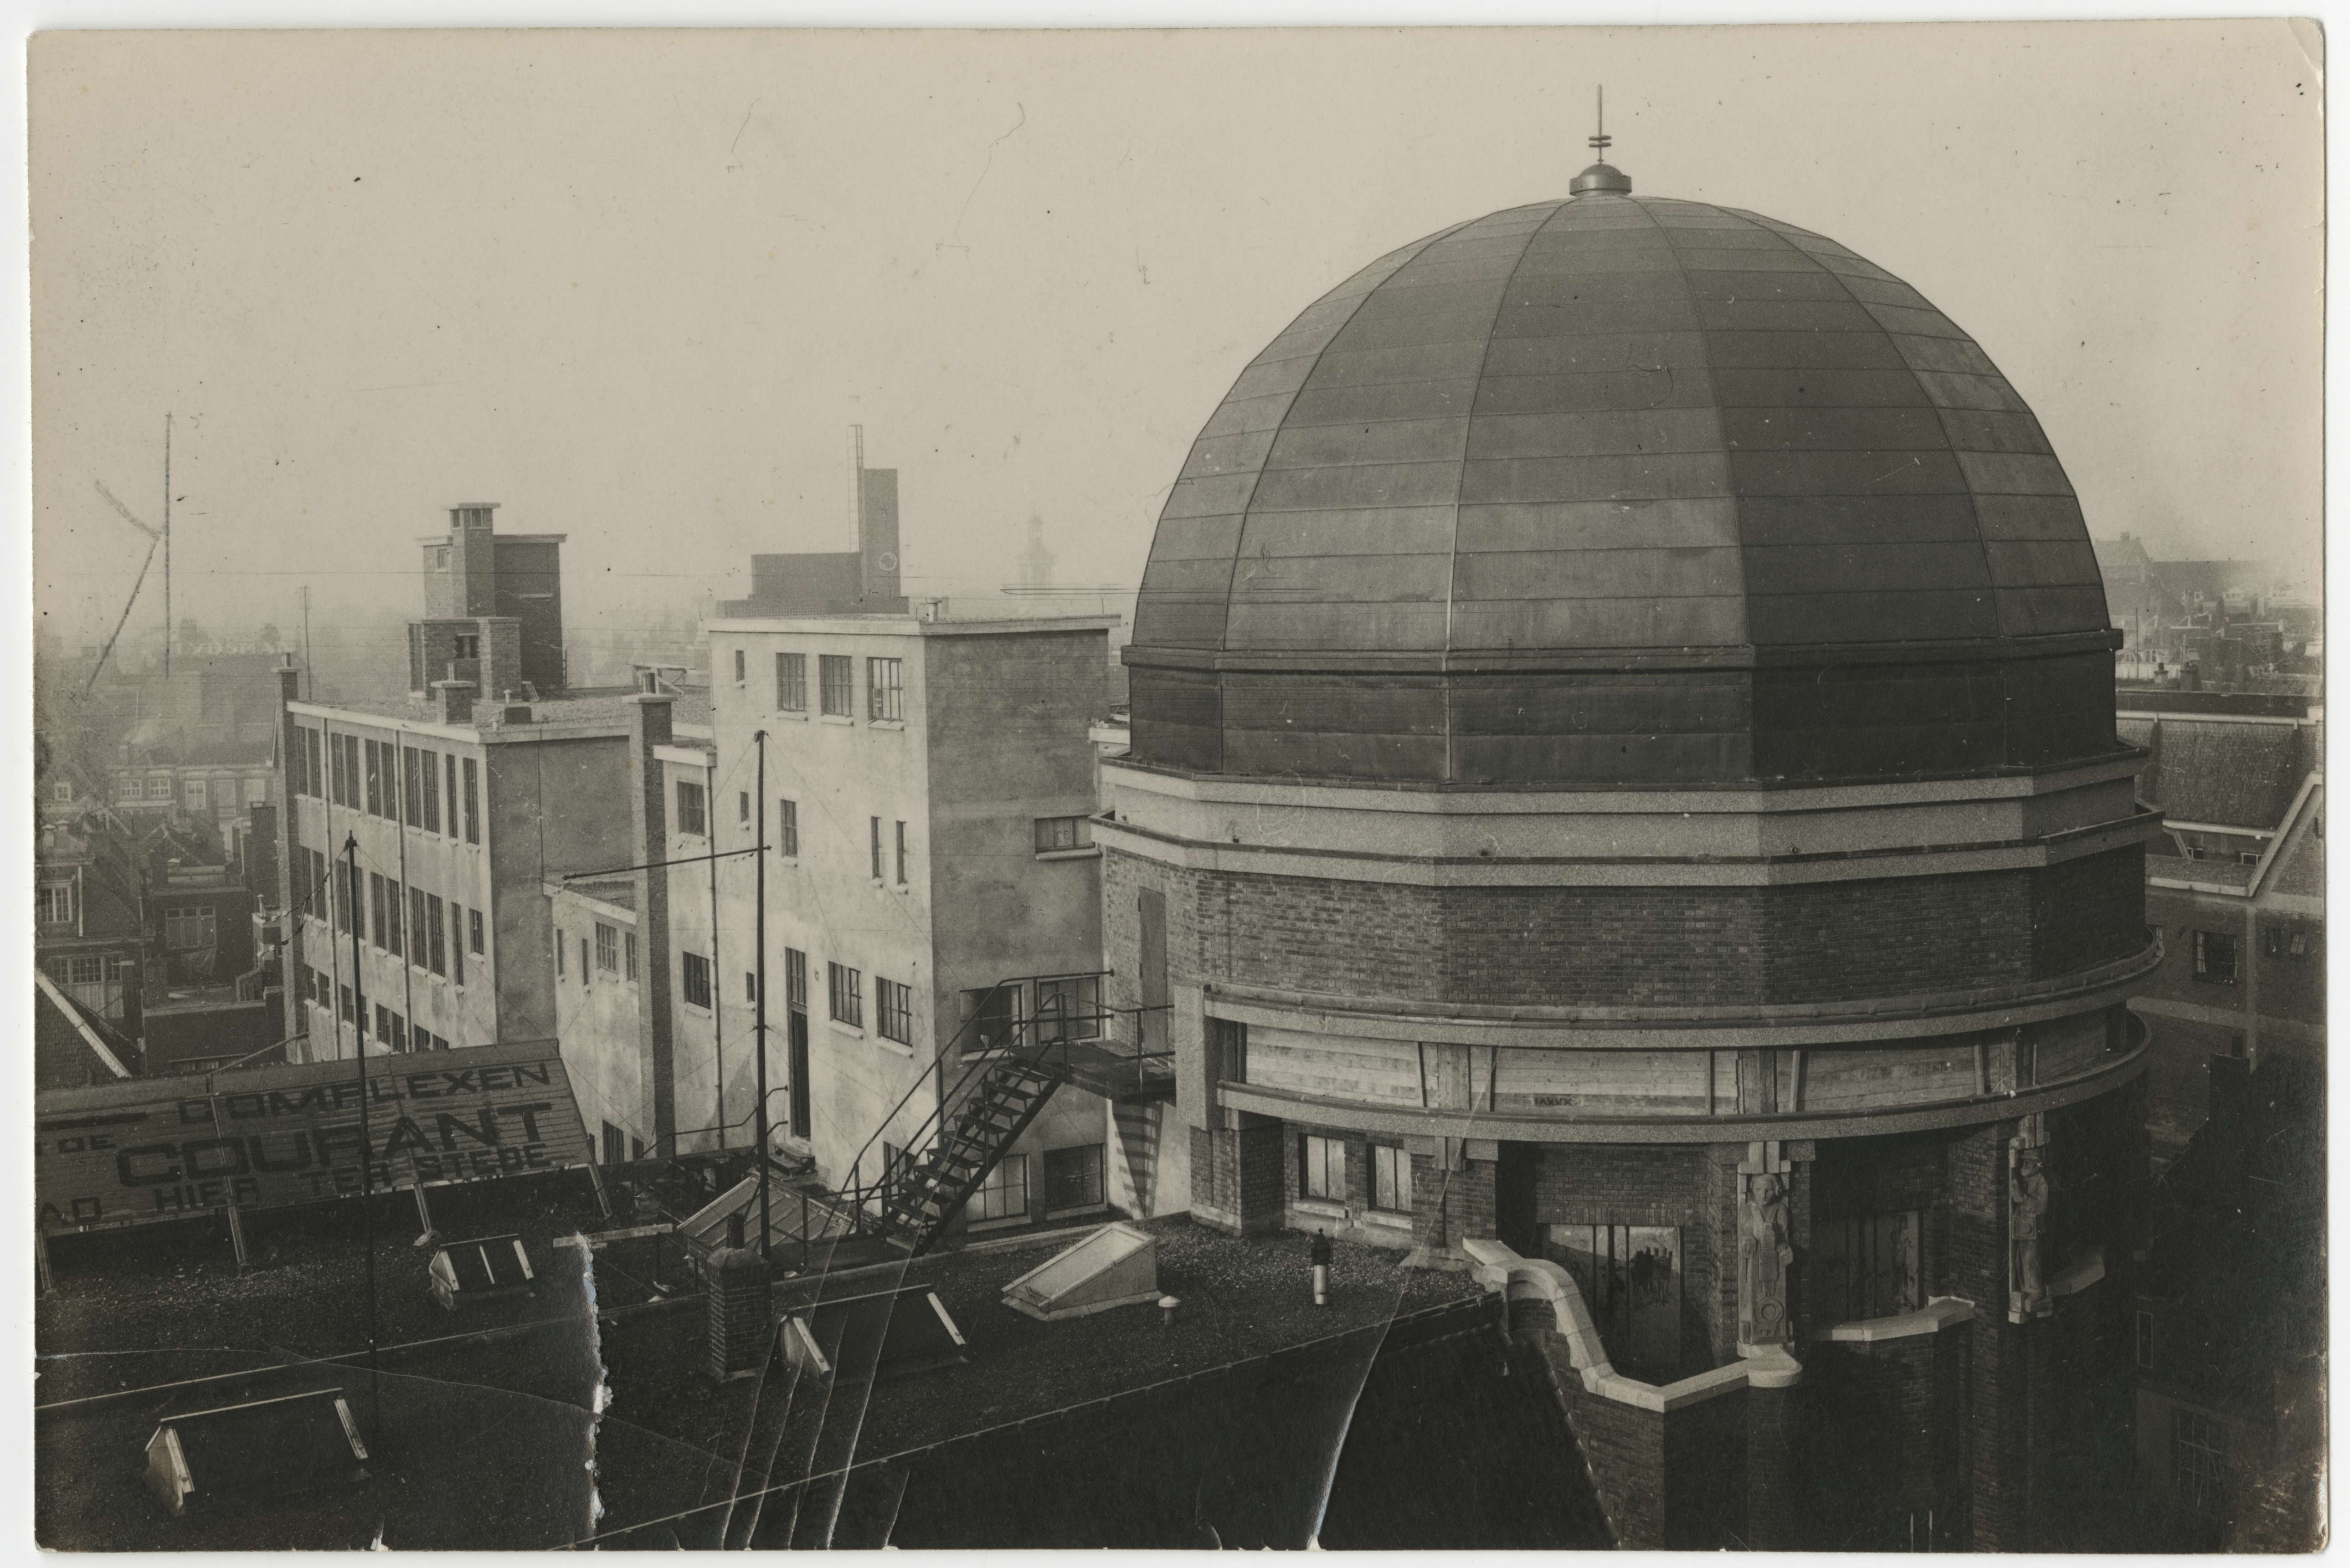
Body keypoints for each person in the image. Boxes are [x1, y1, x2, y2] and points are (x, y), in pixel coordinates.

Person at [1310, 1229, 1332, 1307]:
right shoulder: (1327, 1244)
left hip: (1319, 1264)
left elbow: (1313, 1252)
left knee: (1319, 1284)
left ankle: (1319, 1301)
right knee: (1322, 1283)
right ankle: (1322, 1301)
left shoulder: (1317, 1245)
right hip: (1323, 1264)